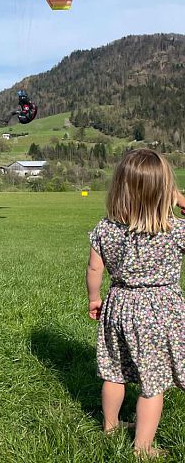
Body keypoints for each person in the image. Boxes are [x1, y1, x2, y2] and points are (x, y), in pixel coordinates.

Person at [87, 148, 185, 458]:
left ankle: (111, 427)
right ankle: (143, 449)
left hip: (118, 305)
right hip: (160, 312)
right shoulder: (176, 231)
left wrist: (94, 298)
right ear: (164, 193)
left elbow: (94, 269)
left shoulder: (105, 229)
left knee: (114, 372)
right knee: (152, 383)